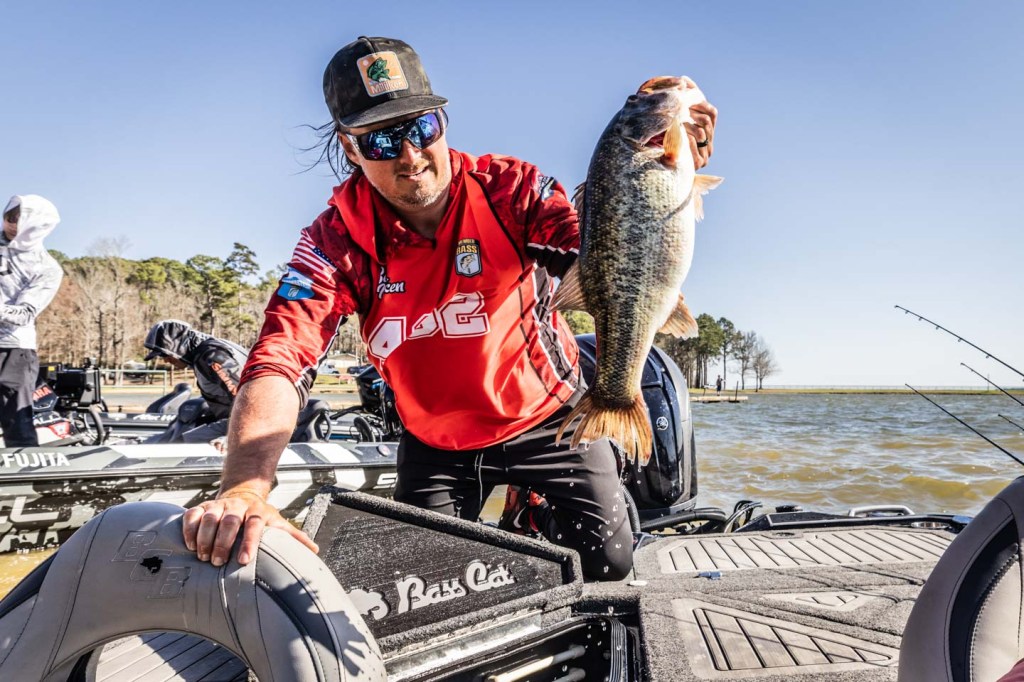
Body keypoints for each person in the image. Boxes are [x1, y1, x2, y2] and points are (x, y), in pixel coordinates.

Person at [182, 36, 717, 579]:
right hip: (437, 440)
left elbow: (611, 252)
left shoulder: (512, 190)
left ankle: (533, 516)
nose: (410, 155)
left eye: (422, 127)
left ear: (442, 121)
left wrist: (669, 172)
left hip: (550, 419)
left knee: (612, 564)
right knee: (419, 586)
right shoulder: (334, 241)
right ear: (349, 148)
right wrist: (245, 487)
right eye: (382, 140)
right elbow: (281, 356)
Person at [0, 196, 63, 447]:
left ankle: (24, 469)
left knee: (16, 422)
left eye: (18, 220)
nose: (10, 224)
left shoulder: (47, 267)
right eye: (9, 216)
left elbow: (24, 313)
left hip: (12, 349)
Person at [142, 320, 248, 443]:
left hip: (247, 423)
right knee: (177, 429)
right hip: (236, 419)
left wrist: (227, 439)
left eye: (164, 354)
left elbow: (245, 400)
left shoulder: (212, 356)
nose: (165, 360)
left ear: (177, 346)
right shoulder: (204, 351)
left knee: (179, 443)